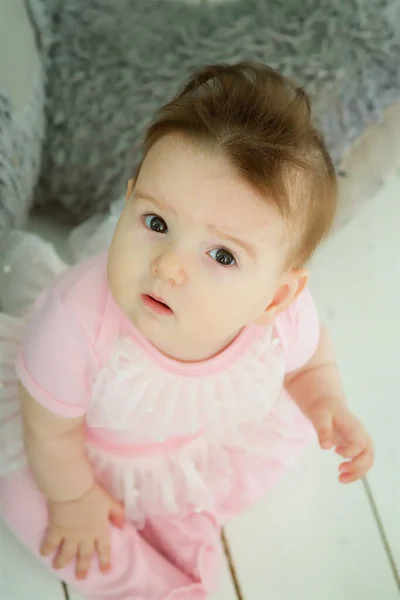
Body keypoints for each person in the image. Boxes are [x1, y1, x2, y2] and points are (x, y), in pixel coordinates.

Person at [0, 62, 374, 599]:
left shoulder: (282, 321)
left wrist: (326, 401)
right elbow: (47, 430)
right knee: (26, 500)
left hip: (194, 441)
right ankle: (149, 584)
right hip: (77, 445)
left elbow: (311, 357)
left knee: (286, 429)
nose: (168, 266)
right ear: (131, 200)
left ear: (276, 296)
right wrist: (73, 496)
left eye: (221, 255)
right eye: (156, 223)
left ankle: (182, 531)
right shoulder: (76, 323)